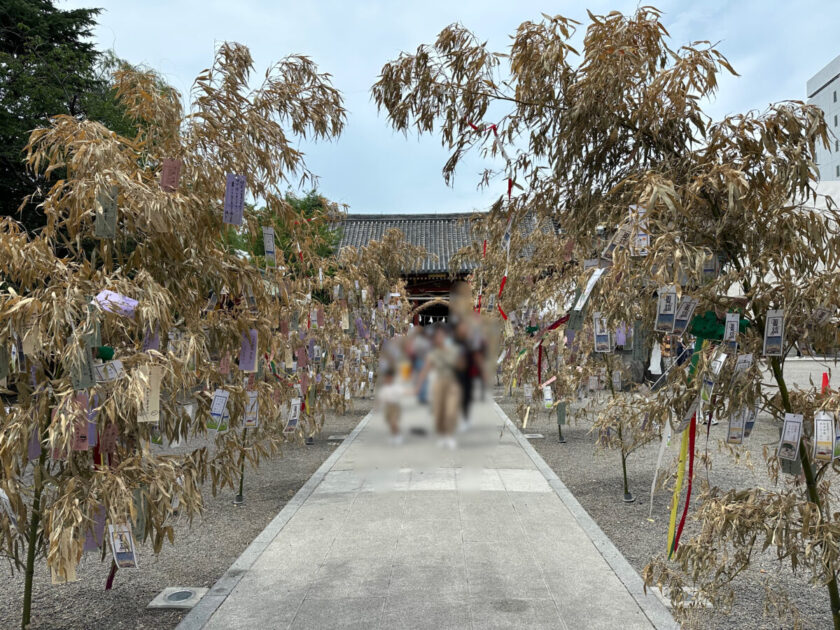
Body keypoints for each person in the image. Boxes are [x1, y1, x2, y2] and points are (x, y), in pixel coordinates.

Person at [416, 324, 463, 449]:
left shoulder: (454, 350)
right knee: (439, 412)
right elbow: (425, 370)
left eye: (442, 336)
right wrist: (418, 387)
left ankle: (449, 435)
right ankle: (442, 435)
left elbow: (461, 367)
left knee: (451, 410)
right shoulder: (433, 354)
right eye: (437, 336)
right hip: (439, 383)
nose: (439, 338)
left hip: (452, 383)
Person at [377, 366, 404, 445]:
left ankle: (398, 435)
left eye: (388, 378)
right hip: (387, 407)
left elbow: (401, 392)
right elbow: (381, 397)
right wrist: (378, 405)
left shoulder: (395, 386)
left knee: (393, 422)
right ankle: (393, 435)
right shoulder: (384, 388)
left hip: (395, 407)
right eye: (386, 378)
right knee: (389, 422)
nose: (387, 380)